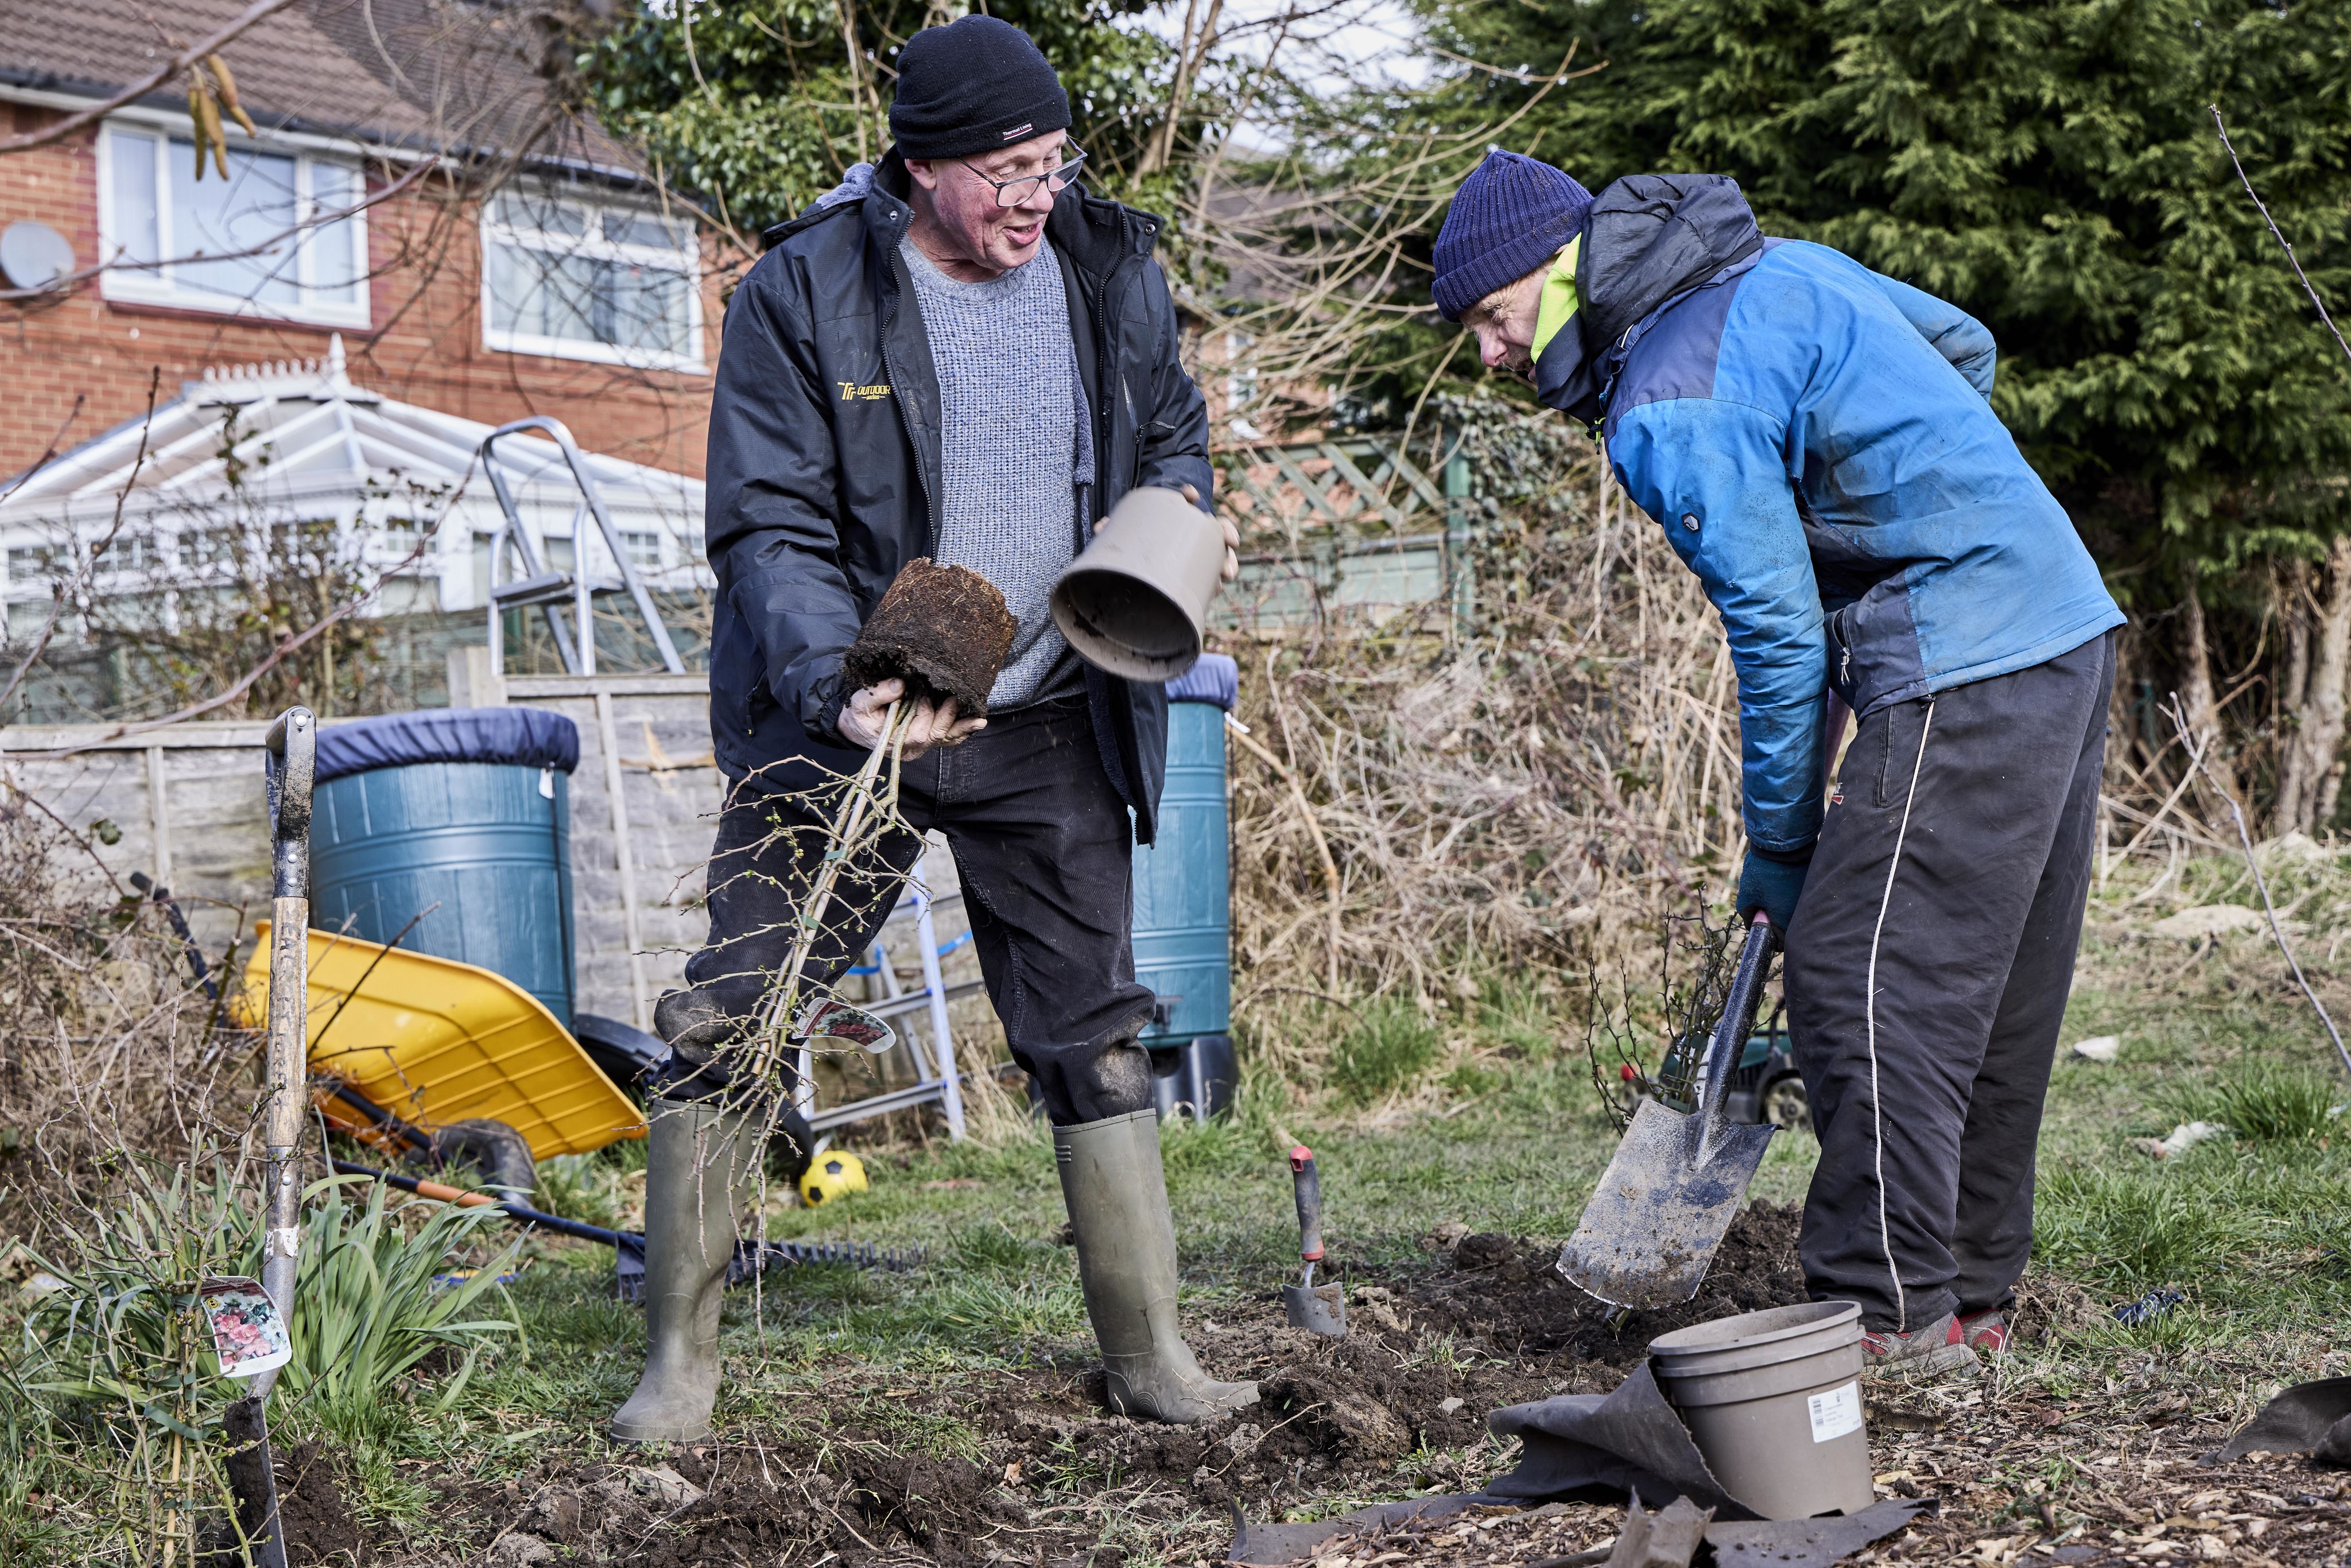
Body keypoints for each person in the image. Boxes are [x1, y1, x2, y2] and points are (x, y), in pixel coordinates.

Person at [609, 15, 1254, 1444]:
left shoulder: (1106, 261)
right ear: (923, 166)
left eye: (1051, 159)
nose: (1036, 192)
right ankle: (678, 1371)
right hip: (849, 718)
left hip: (1047, 708)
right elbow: (764, 520)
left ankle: (1151, 1356)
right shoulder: (805, 288)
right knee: (732, 1012)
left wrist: (1167, 530)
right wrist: (834, 680)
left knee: (1093, 1035)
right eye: (1006, 168)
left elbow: (1170, 432)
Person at [1431, 150, 2123, 1376]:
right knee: (1986, 991)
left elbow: (1776, 634)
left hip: (1959, 653)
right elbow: (1959, 346)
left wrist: (1780, 841)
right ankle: (1966, 1297)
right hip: (2059, 621)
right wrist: (1923, 494)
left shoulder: (1664, 397)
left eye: (1487, 320)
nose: (1486, 355)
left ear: (1556, 274)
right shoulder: (1774, 266)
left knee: (1865, 982)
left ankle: (1884, 1319)